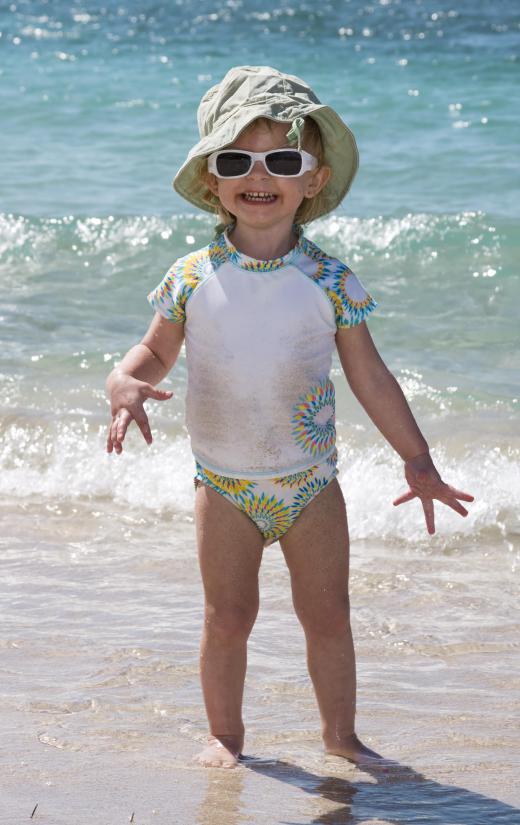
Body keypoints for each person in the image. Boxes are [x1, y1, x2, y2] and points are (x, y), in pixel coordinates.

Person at [105, 66, 474, 768]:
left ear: (313, 178)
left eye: (281, 160)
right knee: (228, 617)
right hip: (224, 485)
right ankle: (226, 737)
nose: (258, 175)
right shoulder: (191, 277)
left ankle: (340, 736)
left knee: (329, 615)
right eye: (236, 160)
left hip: (310, 482)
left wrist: (417, 456)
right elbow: (154, 351)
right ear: (212, 181)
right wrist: (122, 379)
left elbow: (369, 375)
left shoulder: (329, 280)